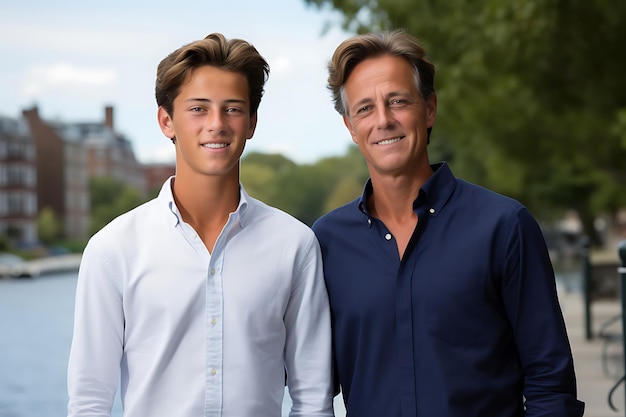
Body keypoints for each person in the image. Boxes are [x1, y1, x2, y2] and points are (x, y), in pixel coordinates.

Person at [312, 29, 585, 417]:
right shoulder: (325, 243)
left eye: (398, 101)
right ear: (350, 127)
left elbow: (550, 383)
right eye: (365, 108)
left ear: (430, 108)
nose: (384, 120)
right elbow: (309, 379)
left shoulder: (504, 227)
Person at [67, 33, 334, 417]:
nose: (217, 124)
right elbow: (90, 402)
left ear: (252, 122)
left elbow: (313, 400)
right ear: (166, 121)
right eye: (198, 108)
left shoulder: (294, 246)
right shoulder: (113, 250)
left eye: (232, 108)